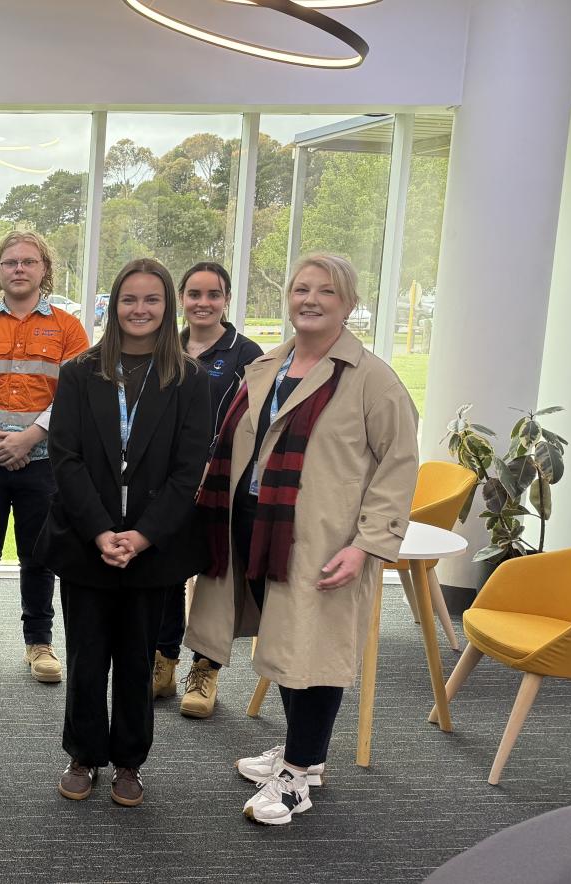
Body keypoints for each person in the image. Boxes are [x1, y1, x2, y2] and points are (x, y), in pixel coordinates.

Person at [186, 253, 417, 826]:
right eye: (301, 289)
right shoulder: (269, 364)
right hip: (261, 534)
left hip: (324, 544)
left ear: (349, 304)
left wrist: (366, 545)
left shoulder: (372, 379)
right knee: (289, 645)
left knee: (315, 653)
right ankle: (302, 755)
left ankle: (299, 772)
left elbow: (399, 466)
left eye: (326, 292)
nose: (310, 300)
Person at [36, 258, 211, 808]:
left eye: (151, 300)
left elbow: (189, 471)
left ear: (168, 307)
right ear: (114, 306)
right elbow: (65, 459)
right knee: (87, 656)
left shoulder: (189, 379)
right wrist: (100, 532)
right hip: (86, 543)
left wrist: (141, 536)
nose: (140, 310)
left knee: (137, 661)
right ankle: (84, 755)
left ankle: (130, 762)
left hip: (152, 550)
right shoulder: (80, 372)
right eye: (129, 300)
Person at [0, 232, 89, 683]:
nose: (19, 270)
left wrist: (28, 438)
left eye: (28, 262)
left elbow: (75, 395)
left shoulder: (69, 329)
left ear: (43, 270)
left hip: (43, 461)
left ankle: (39, 644)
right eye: (10, 262)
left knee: (39, 555)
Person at [154, 262, 265, 718]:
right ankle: (163, 662)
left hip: (222, 484)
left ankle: (205, 669)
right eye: (194, 294)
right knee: (165, 573)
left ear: (226, 299)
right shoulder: (164, 346)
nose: (203, 303)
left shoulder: (247, 354)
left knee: (215, 578)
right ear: (181, 298)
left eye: (213, 294)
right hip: (167, 483)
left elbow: (257, 424)